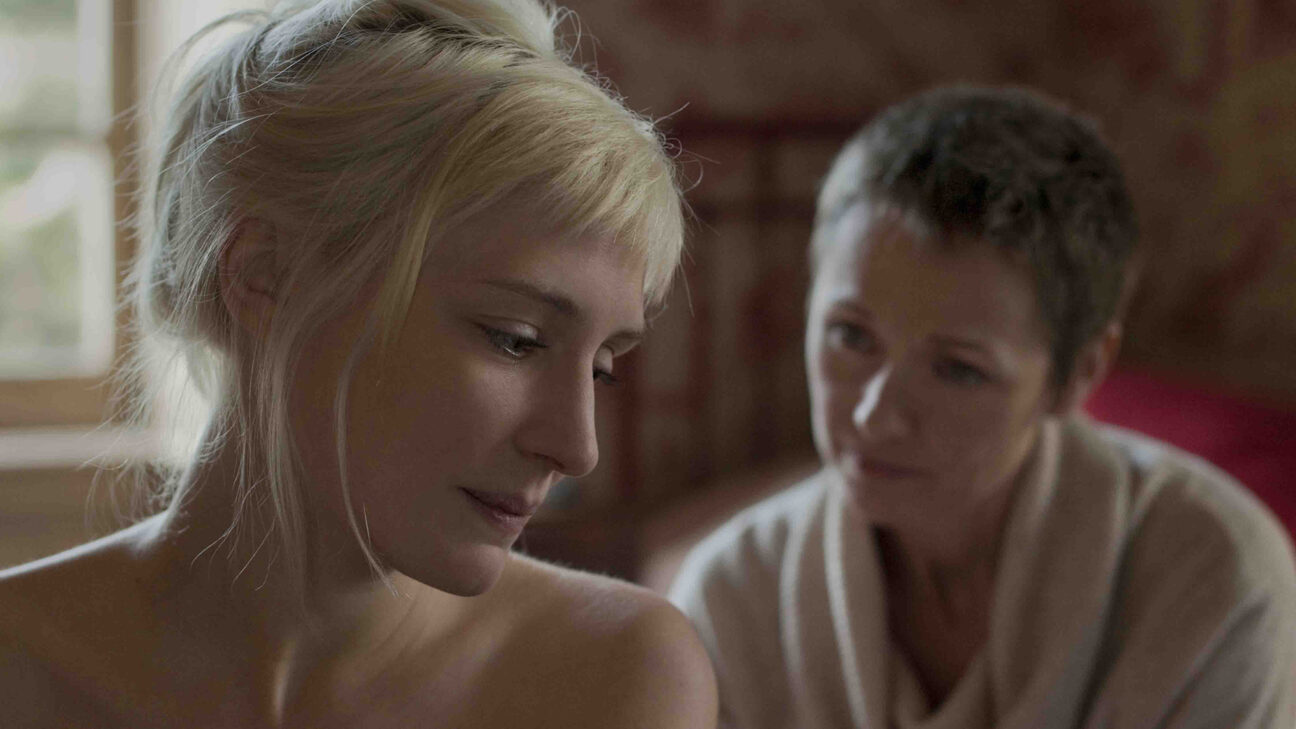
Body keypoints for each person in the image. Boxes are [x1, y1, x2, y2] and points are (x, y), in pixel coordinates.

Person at [0, 1, 717, 726]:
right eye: (516, 338)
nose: (577, 449)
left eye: (601, 368)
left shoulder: (613, 673)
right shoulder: (18, 665)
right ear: (264, 275)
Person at [669, 86, 1296, 729]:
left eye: (957, 369)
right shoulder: (733, 600)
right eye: (850, 336)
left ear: (1080, 373)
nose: (873, 416)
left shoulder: (1212, 585)